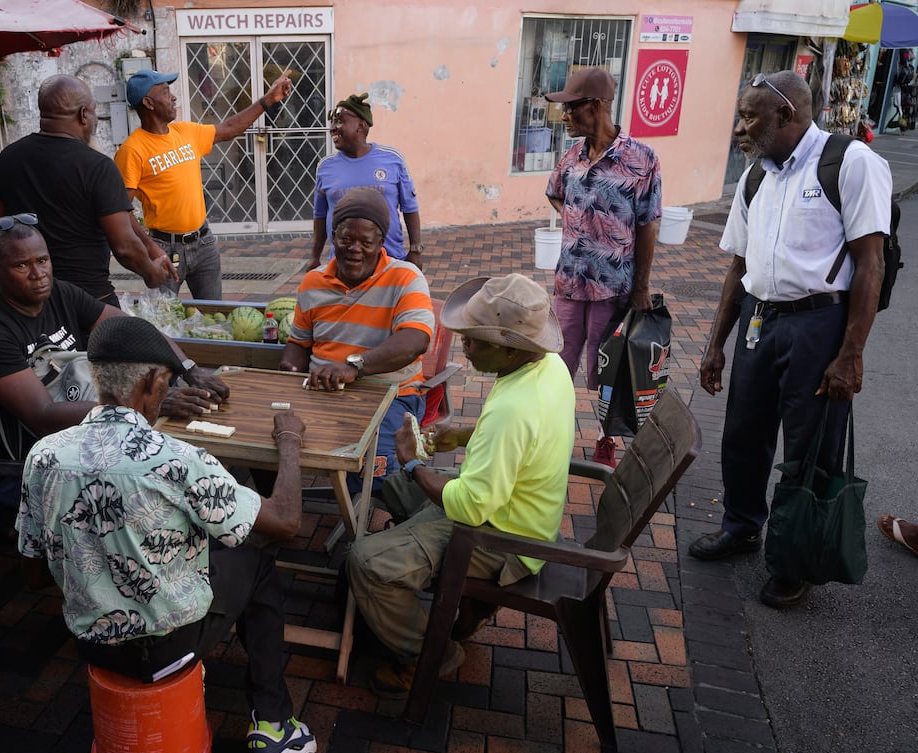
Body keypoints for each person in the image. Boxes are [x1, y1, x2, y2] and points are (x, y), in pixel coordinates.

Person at [17, 315, 318, 753]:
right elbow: (286, 521)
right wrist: (290, 441)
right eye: (166, 383)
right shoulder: (178, 459)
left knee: (196, 545)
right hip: (163, 646)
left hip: (91, 643)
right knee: (256, 563)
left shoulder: (45, 454)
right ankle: (275, 726)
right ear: (154, 381)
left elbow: (35, 569)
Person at [688, 70, 891, 609]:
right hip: (761, 320)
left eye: (749, 117)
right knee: (744, 433)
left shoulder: (850, 163)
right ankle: (741, 526)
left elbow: (870, 263)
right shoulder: (758, 175)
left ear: (787, 115)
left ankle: (794, 560)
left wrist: (851, 353)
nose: (739, 129)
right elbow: (737, 266)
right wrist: (716, 344)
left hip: (820, 324)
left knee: (810, 448)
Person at [347, 273, 575, 697]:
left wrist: (414, 462)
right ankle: (455, 595)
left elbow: (468, 509)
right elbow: (522, 438)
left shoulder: (513, 407)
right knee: (394, 488)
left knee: (365, 562)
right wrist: (465, 435)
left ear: (509, 348)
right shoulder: (549, 367)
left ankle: (427, 654)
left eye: (473, 341)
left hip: (504, 538)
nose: (463, 348)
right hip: (518, 510)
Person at [0, 217, 227, 465]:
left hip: (91, 435)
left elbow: (132, 329)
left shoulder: (60, 293)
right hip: (37, 464)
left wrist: (190, 369)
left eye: (42, 260)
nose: (38, 274)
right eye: (21, 265)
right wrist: (144, 404)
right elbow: (43, 414)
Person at [544, 67, 662, 469]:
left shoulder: (641, 159)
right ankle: (548, 434)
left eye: (570, 108)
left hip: (614, 286)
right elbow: (556, 195)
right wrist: (582, 223)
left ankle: (606, 438)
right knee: (556, 362)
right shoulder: (571, 156)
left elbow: (648, 223)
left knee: (607, 368)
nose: (565, 116)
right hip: (569, 282)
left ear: (595, 107)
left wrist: (641, 285)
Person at [280, 188, 434, 494]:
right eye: (346, 239)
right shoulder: (313, 282)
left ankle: (367, 517)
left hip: (390, 394)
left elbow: (415, 340)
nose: (355, 249)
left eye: (366, 241)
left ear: (381, 243)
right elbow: (298, 342)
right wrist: (290, 370)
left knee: (376, 472)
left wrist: (355, 366)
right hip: (322, 392)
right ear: (333, 236)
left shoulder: (405, 277)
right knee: (265, 440)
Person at [0, 75, 174, 305]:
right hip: (89, 300)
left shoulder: (6, 160)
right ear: (83, 114)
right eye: (94, 111)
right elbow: (125, 246)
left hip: (28, 299)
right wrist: (151, 273)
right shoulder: (98, 167)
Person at [114, 68, 294, 300]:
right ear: (148, 103)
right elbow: (121, 209)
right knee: (164, 320)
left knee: (215, 315)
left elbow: (229, 129)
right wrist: (150, 248)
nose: (173, 97)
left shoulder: (185, 131)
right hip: (165, 249)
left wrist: (268, 100)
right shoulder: (132, 150)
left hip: (204, 242)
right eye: (165, 91)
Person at [305, 93, 423, 270]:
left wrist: (415, 250)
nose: (333, 128)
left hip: (389, 264)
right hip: (344, 266)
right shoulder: (325, 167)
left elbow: (410, 207)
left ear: (361, 125)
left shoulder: (392, 160)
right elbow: (320, 216)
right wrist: (315, 257)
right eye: (332, 122)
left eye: (340, 121)